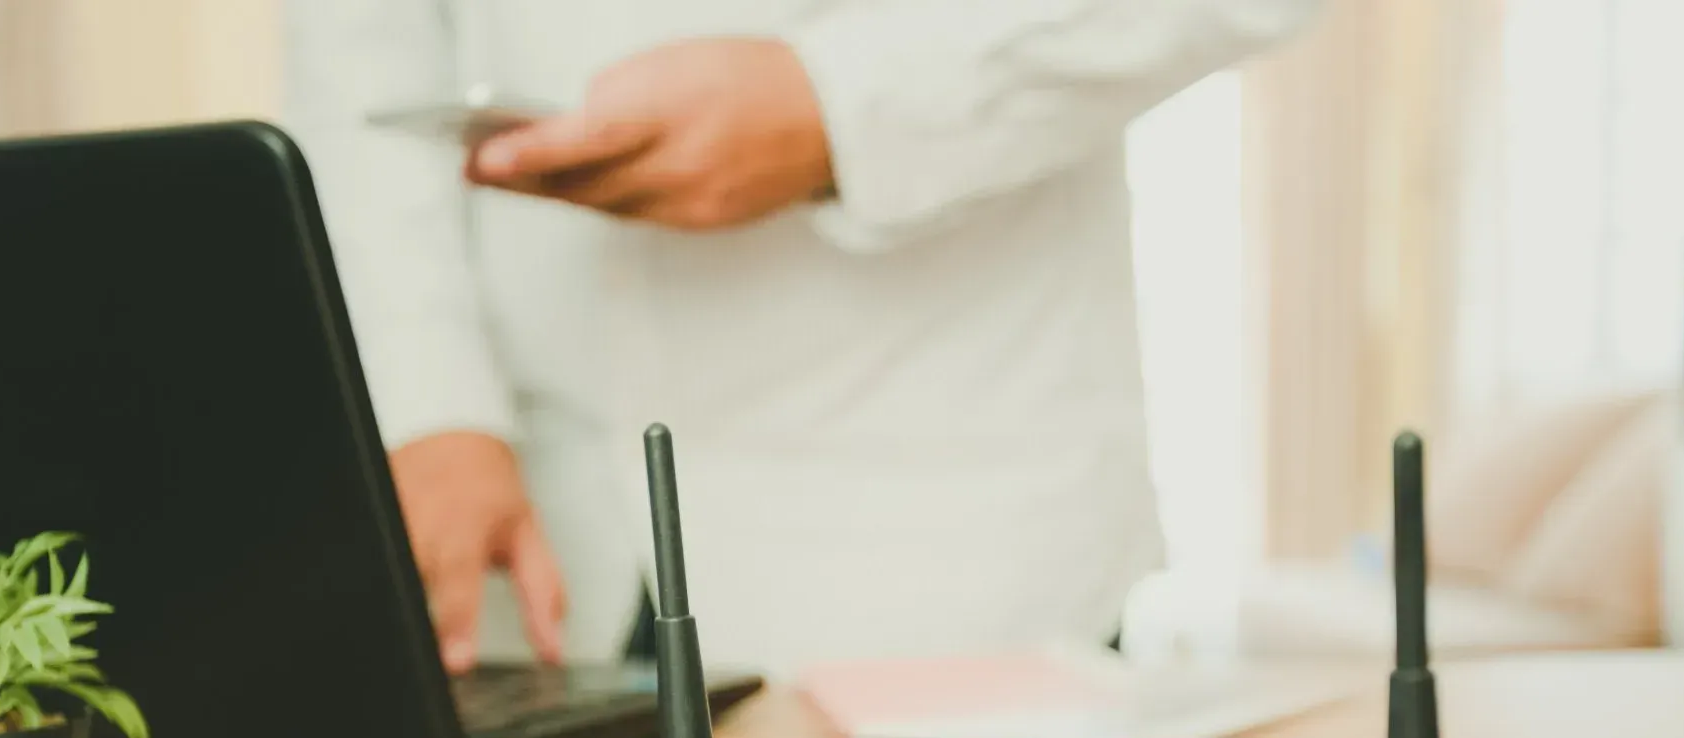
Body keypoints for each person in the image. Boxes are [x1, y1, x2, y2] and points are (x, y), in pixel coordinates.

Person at [285, 0, 1321, 678]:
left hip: (945, 546)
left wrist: (842, 102)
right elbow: (359, 51)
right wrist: (427, 397)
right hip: (536, 552)